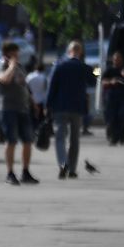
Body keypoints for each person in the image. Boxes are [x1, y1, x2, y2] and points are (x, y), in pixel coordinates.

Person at [46, 40, 94, 179]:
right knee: (75, 139)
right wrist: (96, 71)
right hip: (77, 108)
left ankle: (63, 163)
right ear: (80, 52)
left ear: (68, 51)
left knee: (60, 137)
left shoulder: (59, 66)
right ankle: (72, 169)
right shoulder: (84, 67)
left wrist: (48, 105)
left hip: (60, 107)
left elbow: (52, 86)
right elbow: (93, 81)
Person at [0, 41, 39, 185]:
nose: (17, 55)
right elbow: (4, 80)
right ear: (7, 54)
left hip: (23, 108)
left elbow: (23, 85)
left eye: (17, 53)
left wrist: (32, 101)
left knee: (28, 140)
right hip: (8, 109)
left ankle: (25, 172)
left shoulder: (20, 67)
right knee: (11, 141)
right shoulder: (2, 66)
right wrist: (11, 66)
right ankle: (10, 173)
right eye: (14, 53)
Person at [100, 51, 124, 146]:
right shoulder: (109, 70)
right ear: (113, 60)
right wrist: (111, 81)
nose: (117, 61)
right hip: (111, 97)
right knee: (112, 118)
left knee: (123, 116)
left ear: (122, 60)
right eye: (115, 59)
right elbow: (103, 82)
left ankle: (122, 136)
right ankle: (113, 138)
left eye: (119, 59)